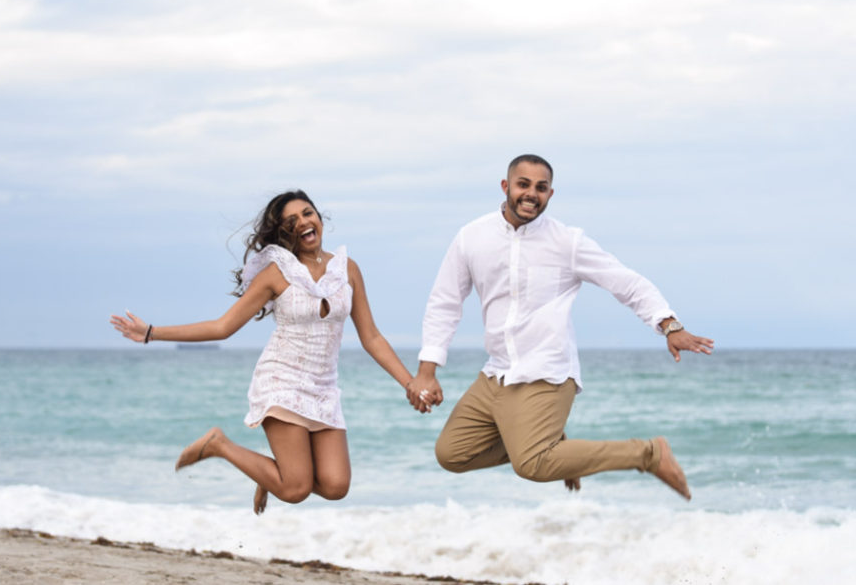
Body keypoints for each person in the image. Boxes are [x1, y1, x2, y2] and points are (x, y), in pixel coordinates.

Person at [406, 154, 713, 500]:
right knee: (451, 454)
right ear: (506, 186)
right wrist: (427, 370)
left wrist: (669, 325)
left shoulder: (568, 242)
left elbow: (625, 283)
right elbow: (444, 302)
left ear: (551, 194)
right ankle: (549, 443)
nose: (531, 194)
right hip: (497, 374)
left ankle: (649, 453)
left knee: (532, 465)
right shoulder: (471, 237)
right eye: (523, 184)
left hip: (547, 372)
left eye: (541, 188)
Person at [110, 190, 415, 514]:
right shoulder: (277, 273)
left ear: (319, 218)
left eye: (307, 213)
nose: (303, 223)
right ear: (283, 232)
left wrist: (410, 383)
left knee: (336, 486)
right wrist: (151, 333)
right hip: (281, 380)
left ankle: (270, 473)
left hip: (323, 387)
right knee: (296, 489)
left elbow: (371, 337)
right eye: (291, 221)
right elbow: (222, 326)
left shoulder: (347, 269)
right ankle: (219, 445)